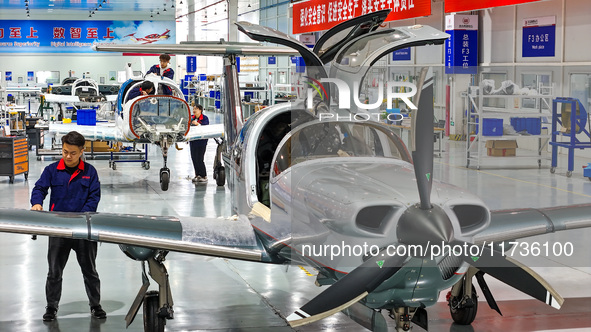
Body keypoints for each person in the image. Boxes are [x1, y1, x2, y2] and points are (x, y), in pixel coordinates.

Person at [30, 131, 105, 322]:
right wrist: (37, 202)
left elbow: (94, 197)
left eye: (72, 153)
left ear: (82, 151)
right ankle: (51, 307)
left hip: (83, 230)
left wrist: (82, 216)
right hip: (59, 228)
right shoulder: (52, 170)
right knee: (54, 272)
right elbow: (39, 188)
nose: (68, 156)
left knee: (90, 271)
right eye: (65, 152)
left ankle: (95, 305)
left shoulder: (90, 172)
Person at [190, 104, 209, 183]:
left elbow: (205, 127)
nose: (194, 110)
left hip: (201, 142)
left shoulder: (204, 118)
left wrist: (198, 124)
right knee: (194, 158)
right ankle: (197, 174)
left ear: (200, 110)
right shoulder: (192, 118)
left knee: (200, 158)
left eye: (196, 109)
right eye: (193, 109)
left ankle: (203, 175)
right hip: (193, 141)